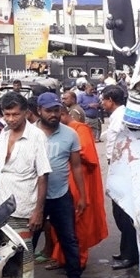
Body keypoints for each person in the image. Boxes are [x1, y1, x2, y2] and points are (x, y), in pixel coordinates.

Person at [0, 92, 51, 278]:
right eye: (7, 114)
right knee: (0, 254)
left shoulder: (36, 136)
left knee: (24, 255)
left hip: (23, 206)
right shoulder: (3, 133)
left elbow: (43, 175)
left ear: (25, 113)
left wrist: (38, 210)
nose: (11, 119)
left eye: (15, 114)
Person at [34, 92, 94, 278]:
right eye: (48, 110)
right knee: (28, 241)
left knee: (69, 238)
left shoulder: (70, 134)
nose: (53, 114)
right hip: (34, 198)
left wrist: (83, 197)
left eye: (56, 110)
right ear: (39, 111)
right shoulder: (31, 134)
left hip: (61, 195)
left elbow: (76, 166)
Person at [50, 106, 108, 269]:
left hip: (78, 182)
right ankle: (63, 258)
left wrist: (67, 150)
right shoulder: (64, 131)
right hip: (64, 180)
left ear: (63, 115)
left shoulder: (79, 129)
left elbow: (87, 155)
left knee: (77, 221)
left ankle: (77, 261)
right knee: (62, 223)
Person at [101, 85, 139, 270]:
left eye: (103, 100)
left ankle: (130, 255)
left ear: (110, 100)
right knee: (119, 212)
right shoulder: (117, 116)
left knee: (124, 213)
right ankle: (126, 251)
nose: (102, 103)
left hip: (123, 167)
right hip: (116, 165)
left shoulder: (122, 117)